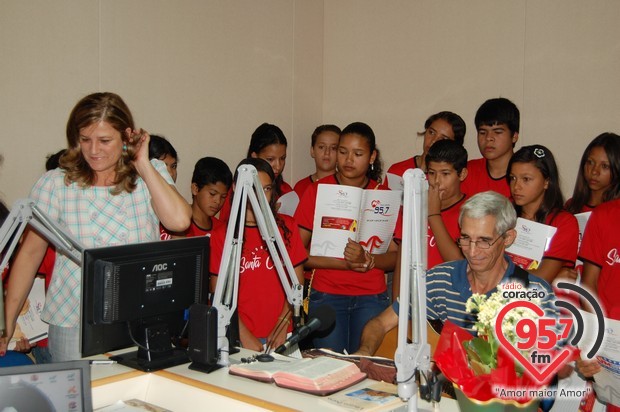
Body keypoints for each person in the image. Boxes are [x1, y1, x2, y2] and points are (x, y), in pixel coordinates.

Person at [0, 92, 191, 361]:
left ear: (126, 137)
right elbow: (30, 254)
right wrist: (6, 324)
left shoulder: (151, 172)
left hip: (138, 317)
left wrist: (143, 165)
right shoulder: (55, 183)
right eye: (85, 140)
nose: (93, 150)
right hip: (73, 322)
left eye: (104, 141)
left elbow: (180, 221)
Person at [356, 191, 555, 356]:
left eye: (484, 240)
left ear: (508, 238)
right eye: (466, 238)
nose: (472, 251)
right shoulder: (438, 280)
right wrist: (365, 352)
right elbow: (380, 324)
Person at [295, 122, 398, 353]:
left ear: (372, 156)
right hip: (327, 294)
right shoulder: (317, 190)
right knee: (330, 369)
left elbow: (395, 257)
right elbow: (298, 254)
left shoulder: (384, 196)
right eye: (343, 152)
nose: (348, 159)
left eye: (358, 153)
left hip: (371, 297)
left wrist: (367, 259)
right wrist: (345, 264)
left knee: (364, 368)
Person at [209, 158, 306, 352]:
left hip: (281, 335)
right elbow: (218, 295)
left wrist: (281, 326)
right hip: (240, 338)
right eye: (253, 188)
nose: (260, 195)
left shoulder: (287, 228)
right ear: (237, 188)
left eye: (267, 189)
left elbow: (297, 284)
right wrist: (244, 336)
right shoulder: (222, 237)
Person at [507, 145, 579, 284]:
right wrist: (553, 278)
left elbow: (541, 279)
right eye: (513, 178)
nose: (516, 186)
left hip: (545, 302)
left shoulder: (564, 222)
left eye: (526, 179)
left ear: (547, 182)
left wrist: (497, 272)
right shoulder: (503, 211)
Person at [220, 123, 296, 220]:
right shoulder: (238, 190)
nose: (278, 166)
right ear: (254, 156)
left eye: (282, 158)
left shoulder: (286, 191)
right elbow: (226, 228)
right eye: (270, 159)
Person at [385, 111, 466, 190]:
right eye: (431, 132)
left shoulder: (456, 178)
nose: (433, 140)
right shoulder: (398, 171)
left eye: (443, 138)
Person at [461, 98, 520, 198]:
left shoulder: (524, 177)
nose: (488, 138)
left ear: (514, 136)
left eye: (497, 132)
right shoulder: (465, 172)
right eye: (482, 132)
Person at [162, 157, 232, 239]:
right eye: (212, 194)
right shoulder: (175, 224)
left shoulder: (225, 231)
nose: (218, 201)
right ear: (195, 189)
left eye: (223, 196)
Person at [566, 132, 620, 214]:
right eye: (590, 162)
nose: (594, 171)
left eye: (605, 166)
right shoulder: (570, 206)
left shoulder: (616, 211)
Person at [293, 124, 340, 199]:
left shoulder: (346, 186)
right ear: (312, 151)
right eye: (321, 147)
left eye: (333, 148)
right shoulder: (300, 187)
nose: (327, 152)